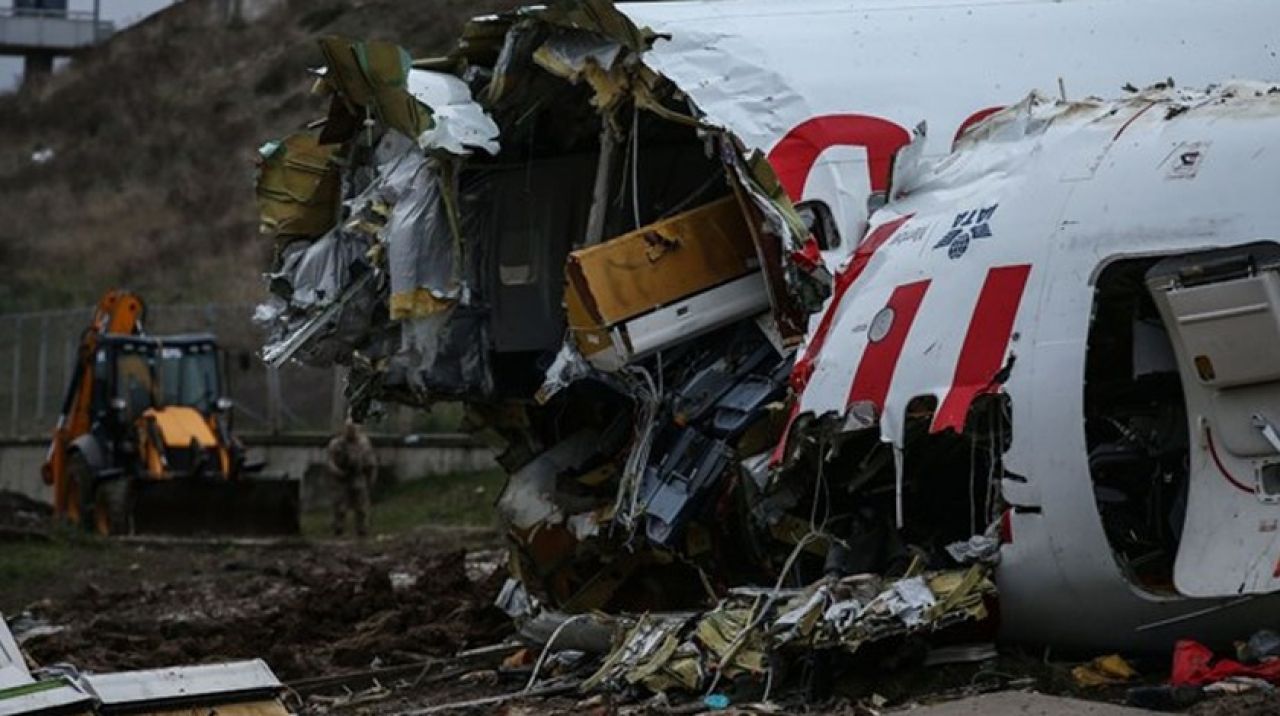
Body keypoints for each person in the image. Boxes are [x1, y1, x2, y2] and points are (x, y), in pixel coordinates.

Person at [326, 419, 377, 537]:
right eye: (349, 429)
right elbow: (330, 461)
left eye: (353, 429)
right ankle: (338, 528)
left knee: (361, 506)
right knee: (340, 505)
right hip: (341, 477)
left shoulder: (364, 443)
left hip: (358, 476)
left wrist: (371, 477)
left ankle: (362, 529)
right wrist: (336, 471)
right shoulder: (336, 443)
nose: (351, 432)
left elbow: (371, 461)